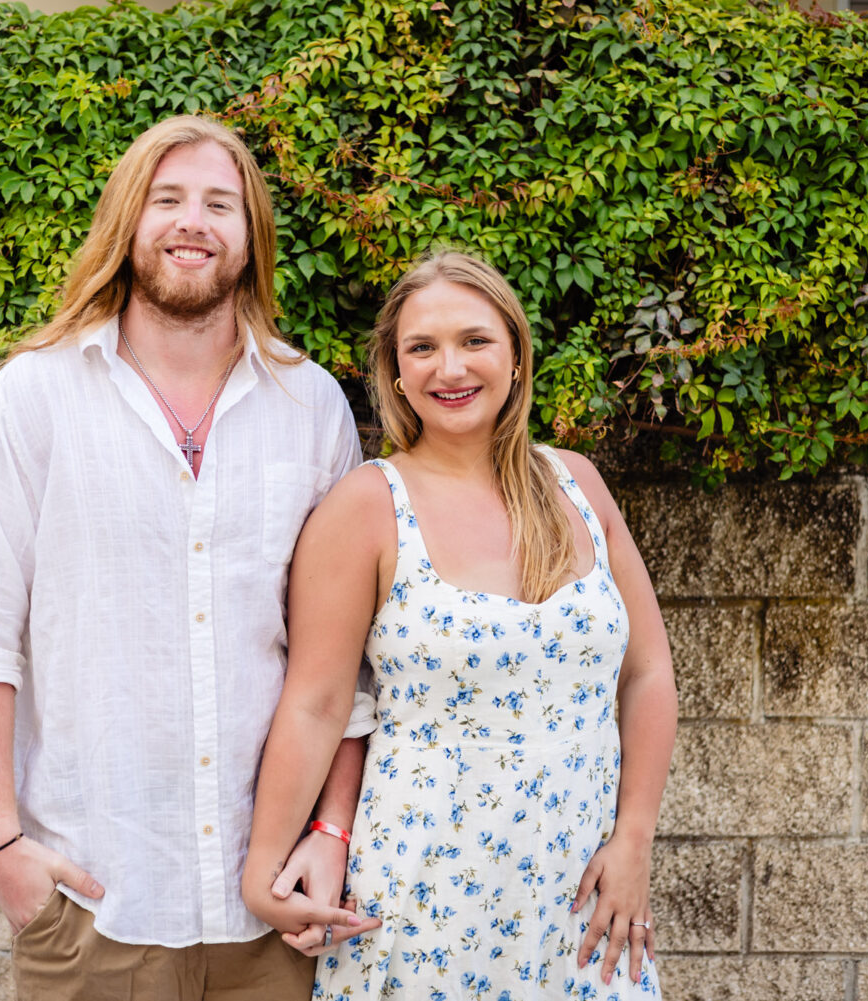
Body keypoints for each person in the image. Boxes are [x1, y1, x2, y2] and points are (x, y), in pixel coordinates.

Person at [0, 115, 379, 1001]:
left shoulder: (310, 404)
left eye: (220, 203)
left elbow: (346, 660)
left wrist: (332, 830)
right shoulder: (32, 397)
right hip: (97, 903)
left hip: (273, 907)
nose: (193, 222)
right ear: (127, 222)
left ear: (252, 238)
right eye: (167, 199)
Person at [242, 251, 677, 998]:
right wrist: (263, 871)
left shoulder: (579, 485)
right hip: (424, 908)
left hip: (584, 905)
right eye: (423, 347)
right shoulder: (367, 506)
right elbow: (317, 702)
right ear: (397, 372)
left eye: (475, 340)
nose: (451, 367)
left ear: (513, 351)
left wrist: (634, 836)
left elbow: (647, 672)